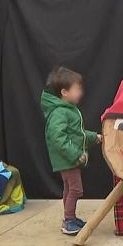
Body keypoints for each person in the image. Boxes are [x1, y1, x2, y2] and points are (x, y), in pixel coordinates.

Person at [41, 66, 102, 236]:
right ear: (64, 92)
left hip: (66, 159)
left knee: (69, 189)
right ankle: (69, 221)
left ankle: (70, 218)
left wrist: (94, 137)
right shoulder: (60, 112)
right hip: (66, 160)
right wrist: (76, 154)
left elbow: (77, 134)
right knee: (75, 189)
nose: (81, 92)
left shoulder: (67, 109)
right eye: (77, 89)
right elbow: (57, 138)